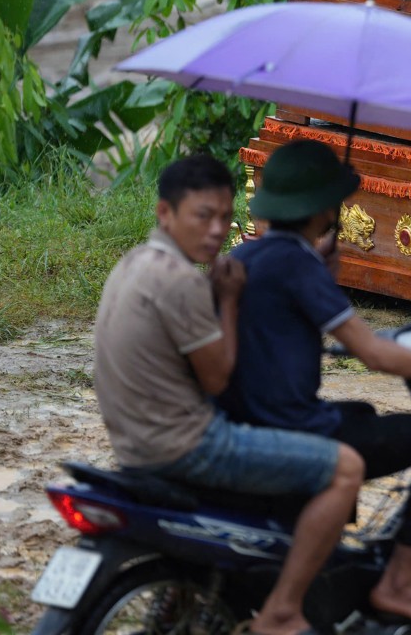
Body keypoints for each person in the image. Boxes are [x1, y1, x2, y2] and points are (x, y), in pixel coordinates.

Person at [218, 140, 411, 635]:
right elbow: (374, 353)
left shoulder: (261, 257)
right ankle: (400, 582)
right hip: (291, 428)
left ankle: (328, 565)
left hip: (251, 417)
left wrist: (324, 280)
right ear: (325, 207)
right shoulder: (298, 265)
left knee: (363, 414)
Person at [92, 154, 365, 635]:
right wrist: (231, 302)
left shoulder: (135, 263)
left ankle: (187, 592)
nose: (218, 229)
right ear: (165, 213)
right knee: (345, 467)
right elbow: (218, 378)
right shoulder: (180, 283)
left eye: (225, 216)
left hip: (135, 441)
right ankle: (284, 610)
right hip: (190, 446)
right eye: (203, 216)